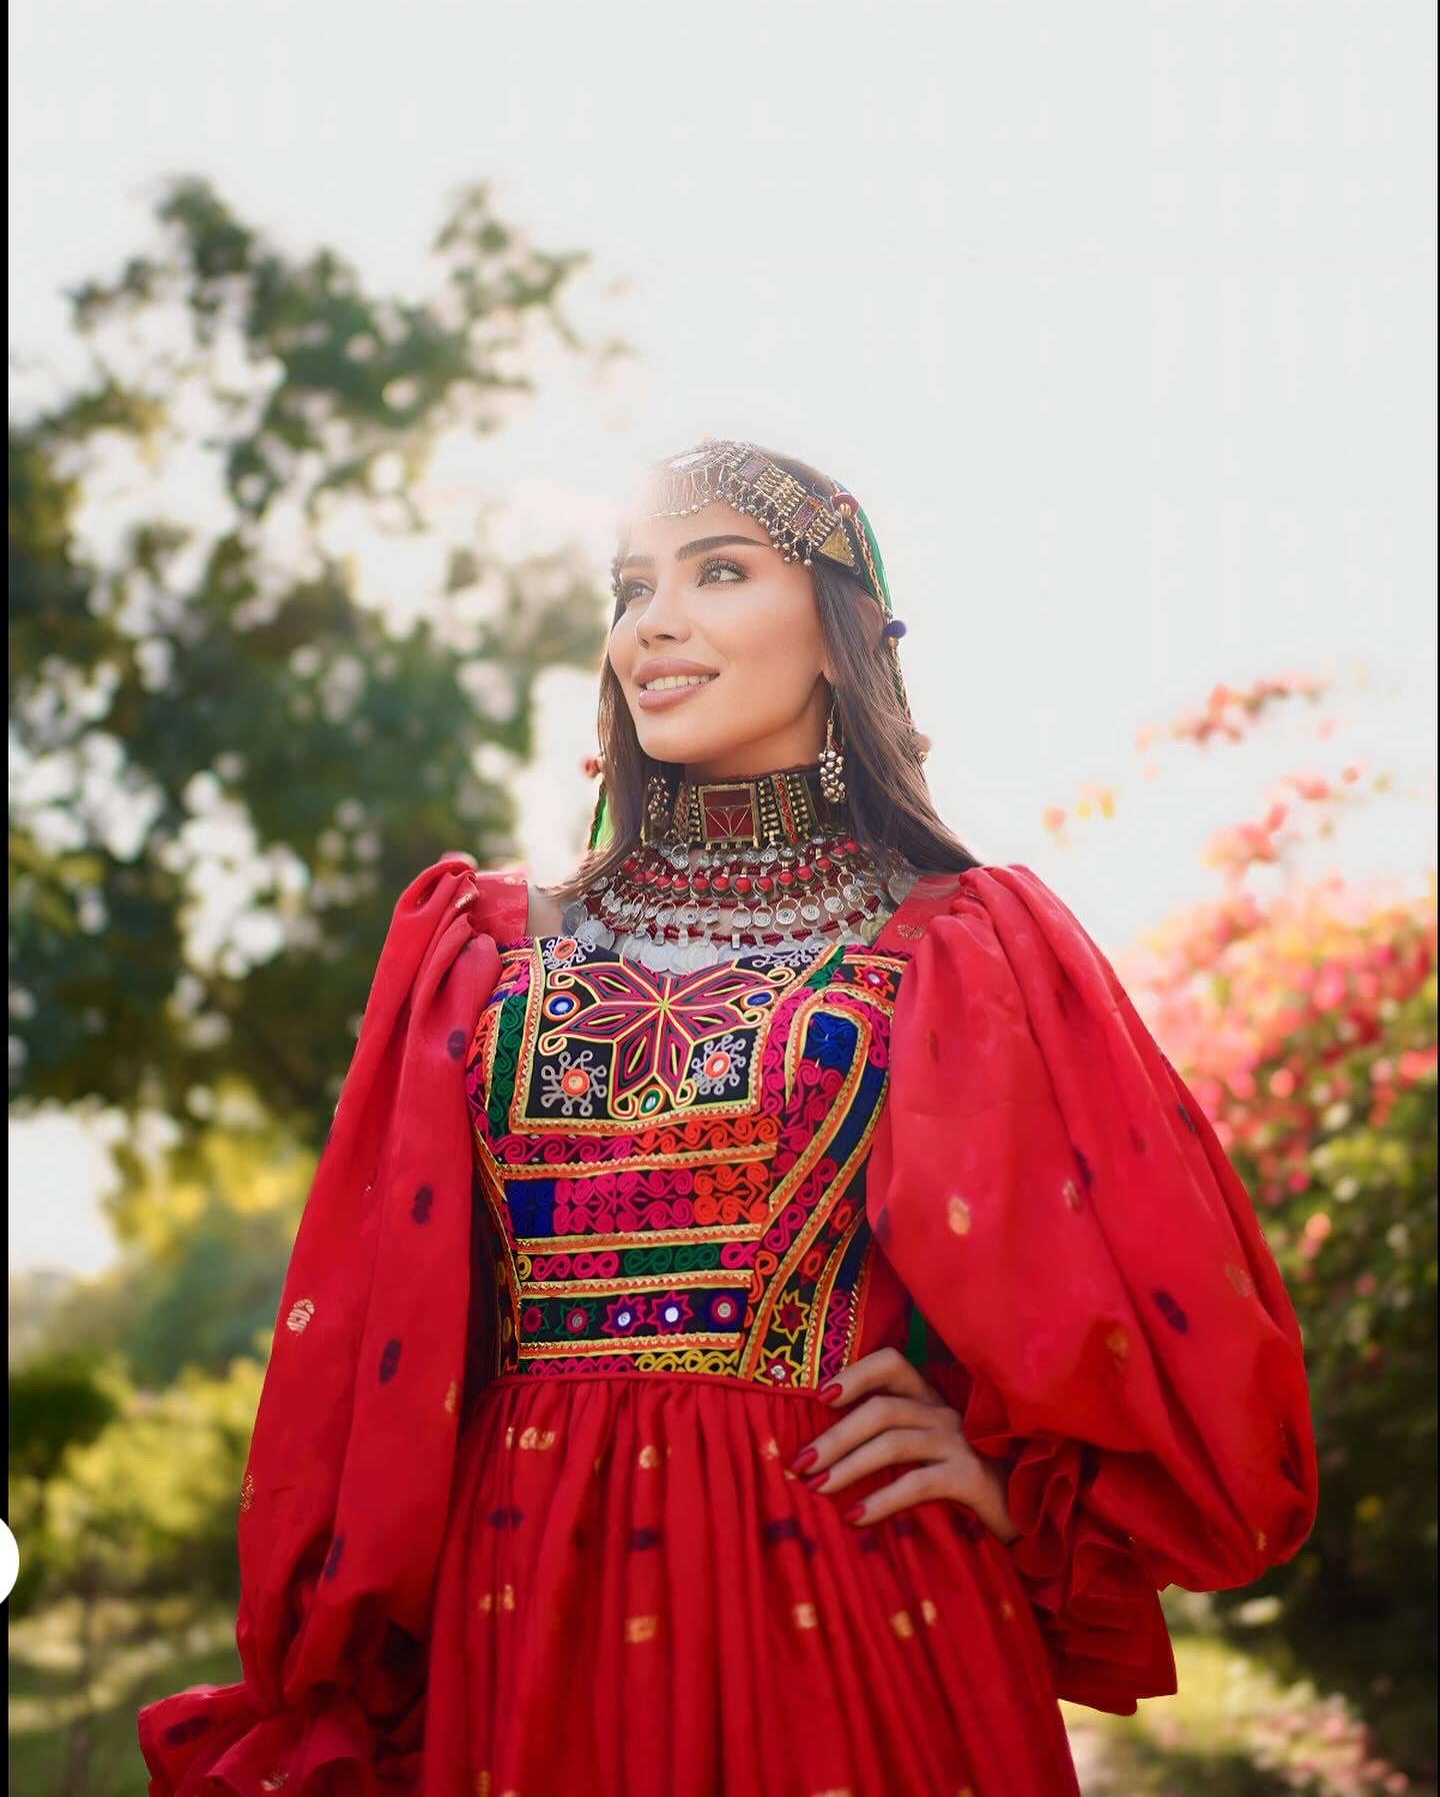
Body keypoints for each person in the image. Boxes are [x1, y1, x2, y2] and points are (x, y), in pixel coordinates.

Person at [138, 439, 1319, 1796]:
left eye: (719, 570)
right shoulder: (477, 943)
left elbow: (1156, 1312)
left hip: (855, 1602)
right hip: (525, 1604)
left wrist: (1001, 1471)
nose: (657, 621)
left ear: (842, 631)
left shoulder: (965, 942)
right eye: (632, 585)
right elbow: (373, 1348)